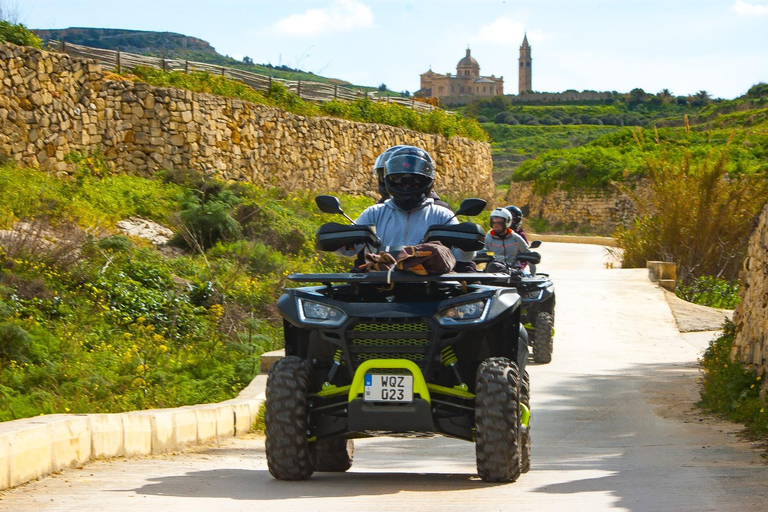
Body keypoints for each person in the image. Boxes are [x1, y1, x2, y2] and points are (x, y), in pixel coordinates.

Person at [339, 145, 474, 270]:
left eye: (414, 179)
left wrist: (467, 246)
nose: (406, 184)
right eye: (399, 178)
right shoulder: (374, 213)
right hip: (378, 284)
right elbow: (347, 250)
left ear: (428, 180)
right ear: (388, 179)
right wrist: (338, 239)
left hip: (432, 287)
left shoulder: (442, 214)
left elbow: (462, 257)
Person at [373, 146, 453, 210]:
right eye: (393, 177)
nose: (400, 182)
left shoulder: (439, 211)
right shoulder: (377, 211)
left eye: (398, 176)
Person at [484, 207, 529, 273]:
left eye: (499, 223)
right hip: (493, 272)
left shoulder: (516, 237)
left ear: (507, 222)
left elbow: (528, 254)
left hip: (513, 272)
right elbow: (481, 253)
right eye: (494, 222)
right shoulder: (488, 238)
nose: (496, 225)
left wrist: (530, 272)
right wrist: (491, 255)